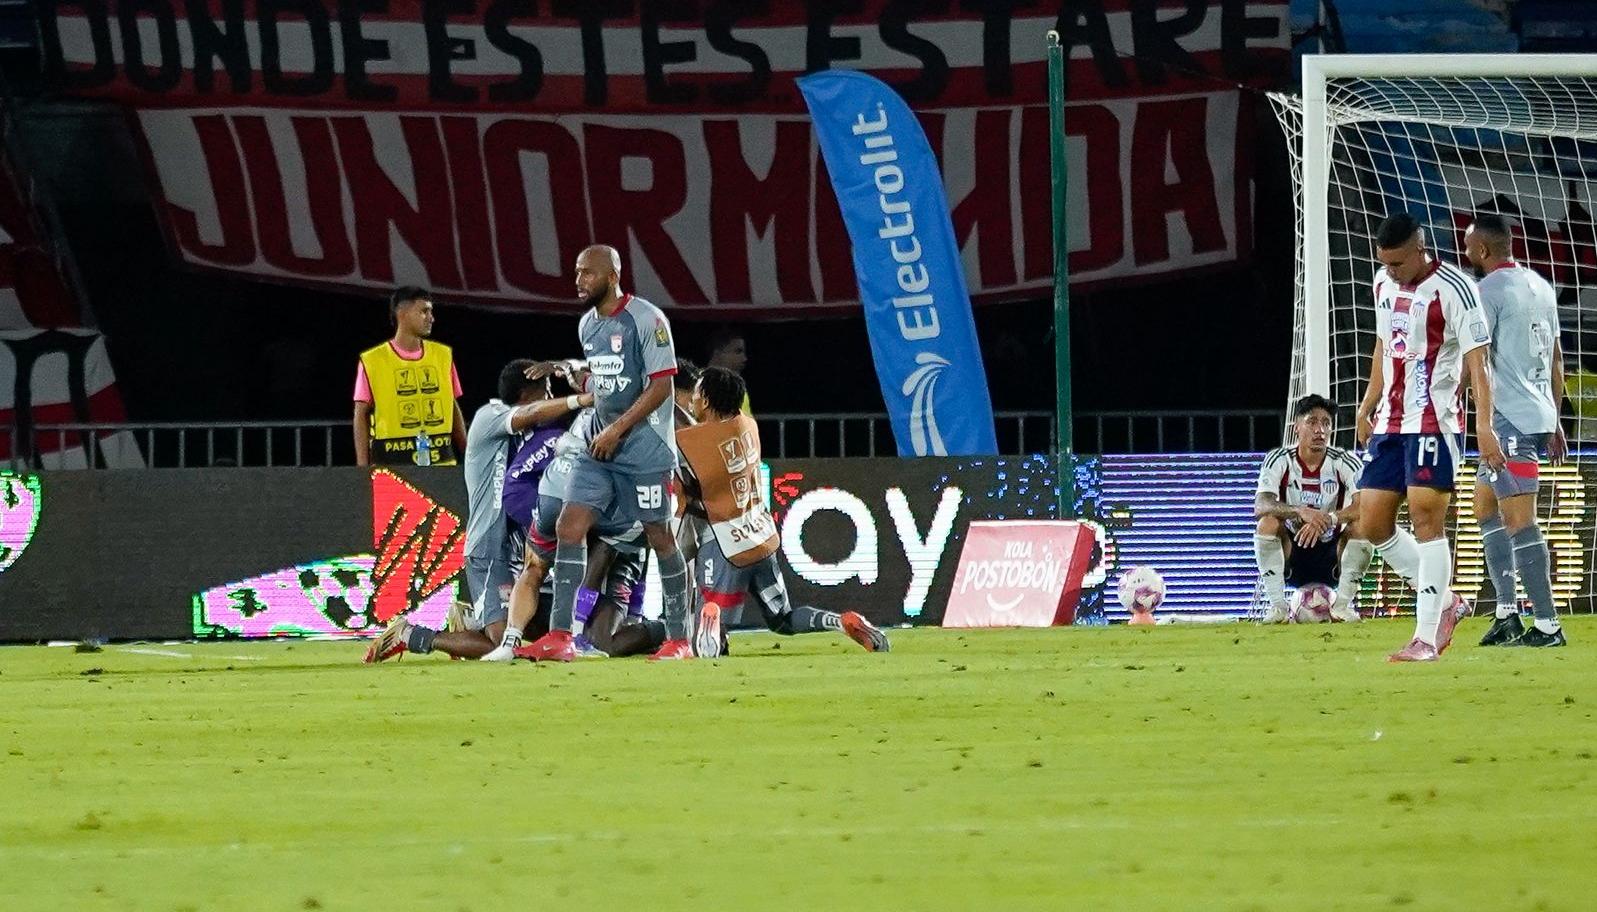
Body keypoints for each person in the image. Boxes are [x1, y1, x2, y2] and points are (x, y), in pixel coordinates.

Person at [518, 245, 697, 662]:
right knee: (569, 525)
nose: (578, 282)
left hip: (644, 449)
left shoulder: (647, 320)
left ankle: (680, 640)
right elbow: (602, 382)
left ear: (612, 276)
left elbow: (661, 388)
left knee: (659, 535)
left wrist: (617, 429)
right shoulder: (587, 325)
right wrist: (569, 375)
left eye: (587, 274)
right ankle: (561, 637)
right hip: (599, 447)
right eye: (577, 273)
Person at [364, 360, 590, 662]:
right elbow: (532, 413)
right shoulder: (489, 416)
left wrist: (570, 367)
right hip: (487, 547)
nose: (551, 400)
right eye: (546, 392)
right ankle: (409, 634)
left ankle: (469, 620)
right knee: (501, 645)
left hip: (511, 548)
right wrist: (583, 399)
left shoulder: (528, 436)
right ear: (525, 394)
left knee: (525, 625)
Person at [1354, 212, 1505, 663]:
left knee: (1425, 520)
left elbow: (1479, 362)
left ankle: (1424, 638)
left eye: (1399, 263)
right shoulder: (1382, 284)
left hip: (1434, 420)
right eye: (1386, 263)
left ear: (1421, 250)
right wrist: (1367, 403)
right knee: (1372, 521)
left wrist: (1484, 426)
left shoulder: (1456, 289)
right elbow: (1385, 344)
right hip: (1390, 421)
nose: (1391, 271)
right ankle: (1446, 602)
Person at [678, 366, 889, 656]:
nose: (693, 400)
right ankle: (841, 622)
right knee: (782, 618)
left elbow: (671, 446)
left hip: (725, 541)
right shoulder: (747, 425)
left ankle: (713, 616)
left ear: (709, 399)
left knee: (706, 620)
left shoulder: (692, 442)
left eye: (699, 393)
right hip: (761, 536)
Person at [1463, 214, 1568, 647]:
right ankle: (1507, 612)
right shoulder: (1541, 286)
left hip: (1510, 420)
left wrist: (1483, 426)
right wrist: (1557, 419)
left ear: (1483, 251)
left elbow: (1479, 363)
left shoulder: (1485, 292)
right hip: (1538, 413)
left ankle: (1547, 624)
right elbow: (1558, 358)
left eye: (1468, 246)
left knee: (1519, 520)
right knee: (1484, 506)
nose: (1465, 253)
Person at [1253, 394, 1370, 624]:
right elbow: (1261, 504)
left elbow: (1365, 506)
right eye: (1312, 422)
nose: (1320, 430)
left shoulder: (1345, 461)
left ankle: (1342, 607)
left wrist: (1329, 518)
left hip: (1331, 553)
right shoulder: (1278, 459)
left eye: (1326, 423)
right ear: (1297, 427)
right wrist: (1300, 511)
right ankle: (1278, 609)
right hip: (1292, 552)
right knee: (1267, 522)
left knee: (1364, 526)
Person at [354, 286, 468, 467]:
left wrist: (468, 453)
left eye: (431, 311)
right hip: (391, 468)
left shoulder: (443, 355)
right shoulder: (373, 360)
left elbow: (451, 405)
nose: (431, 318)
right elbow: (361, 414)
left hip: (442, 464)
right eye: (424, 311)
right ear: (402, 313)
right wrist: (361, 469)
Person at [706, 329, 752, 415]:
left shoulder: (739, 388)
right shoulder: (698, 386)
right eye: (738, 352)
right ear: (717, 354)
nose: (744, 358)